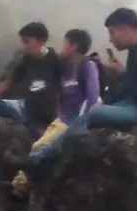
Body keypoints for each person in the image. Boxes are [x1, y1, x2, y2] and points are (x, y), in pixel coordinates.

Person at [24, 8, 137, 163]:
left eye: (112, 33)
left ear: (125, 29)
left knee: (93, 114)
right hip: (134, 104)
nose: (111, 39)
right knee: (93, 112)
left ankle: (42, 159)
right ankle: (44, 155)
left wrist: (121, 77)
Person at [11, 30, 101, 192]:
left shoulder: (87, 66)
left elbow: (92, 97)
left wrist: (79, 124)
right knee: (37, 147)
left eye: (65, 44)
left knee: (41, 147)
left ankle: (21, 188)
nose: (62, 48)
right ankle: (21, 189)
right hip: (61, 119)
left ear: (73, 46)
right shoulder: (66, 68)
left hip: (73, 121)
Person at [0, 22, 62, 138]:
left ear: (41, 41)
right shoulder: (27, 59)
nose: (24, 46)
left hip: (45, 118)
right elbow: (8, 83)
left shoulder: (56, 61)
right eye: (23, 42)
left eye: (27, 42)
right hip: (25, 107)